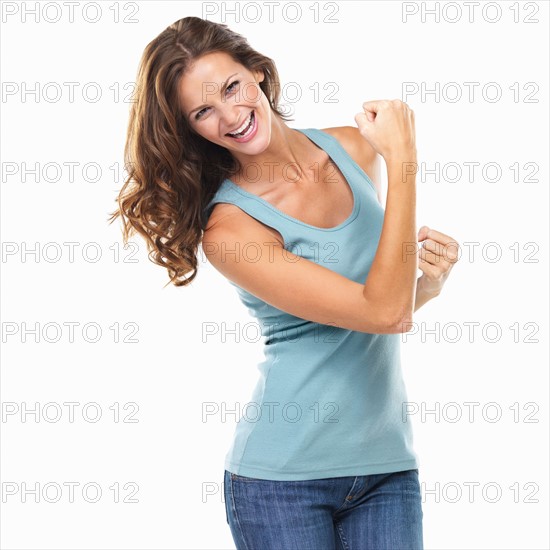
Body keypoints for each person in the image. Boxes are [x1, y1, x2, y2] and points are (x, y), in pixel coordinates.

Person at [109, 15, 460, 550]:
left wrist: (428, 287)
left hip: (388, 466)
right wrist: (406, 158)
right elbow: (384, 312)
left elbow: (378, 309)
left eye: (232, 87)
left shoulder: (356, 150)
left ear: (258, 73)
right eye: (203, 111)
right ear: (191, 130)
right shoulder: (231, 228)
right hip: (282, 485)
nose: (230, 116)